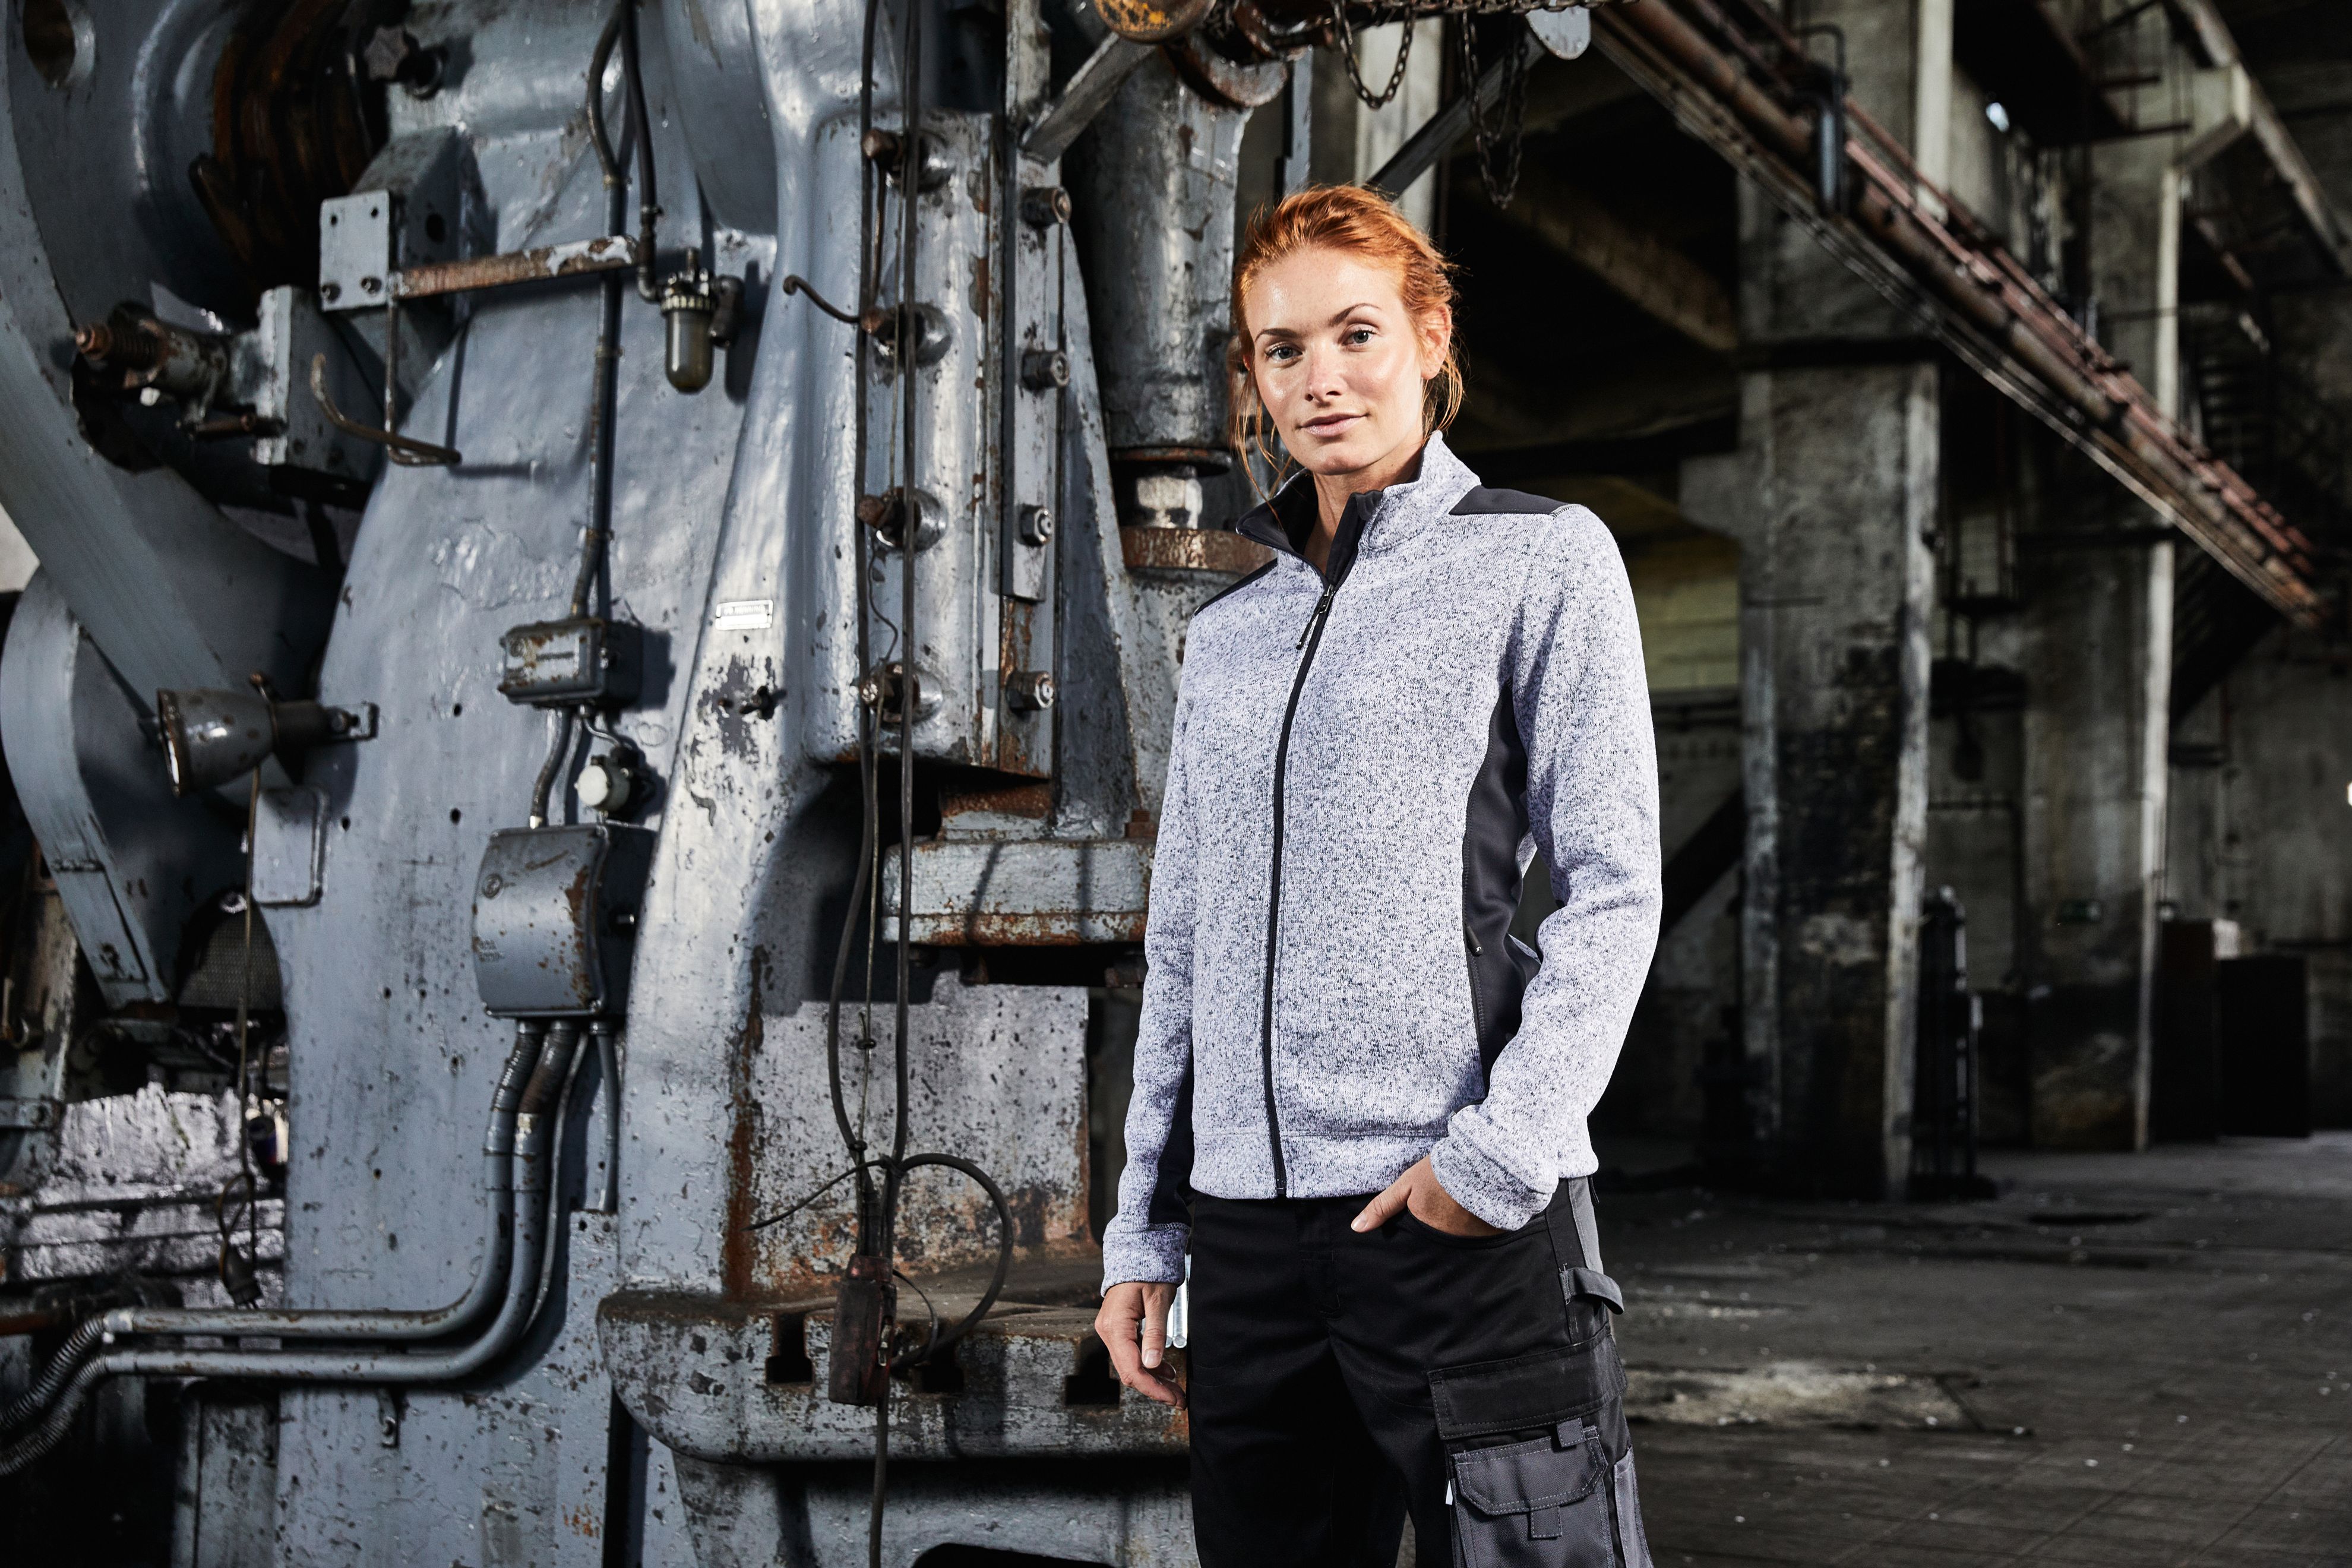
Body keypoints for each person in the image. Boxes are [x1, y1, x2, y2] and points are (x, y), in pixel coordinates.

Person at [1092, 184, 1664, 1567]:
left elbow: (1614, 887)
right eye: (1282, 350)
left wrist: (1498, 1159)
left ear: (1429, 335)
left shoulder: (1541, 559)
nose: (1321, 379)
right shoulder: (1231, 634)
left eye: (1356, 334)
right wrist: (1145, 1233)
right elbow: (1187, 946)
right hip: (1248, 1247)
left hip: (1451, 1218)